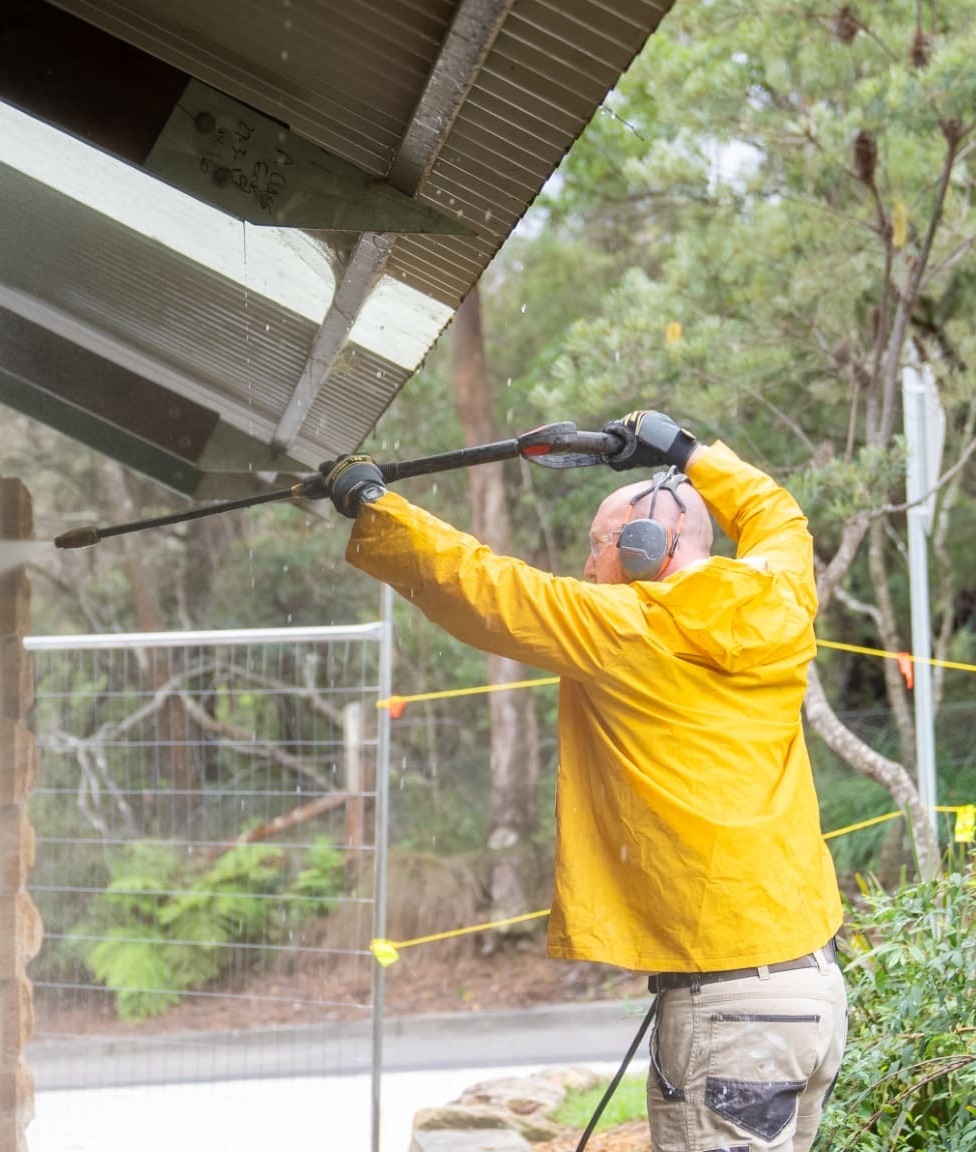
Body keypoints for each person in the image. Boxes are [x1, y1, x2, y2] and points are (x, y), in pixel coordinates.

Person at [323, 410, 847, 1152]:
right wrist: (684, 451)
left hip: (729, 1009)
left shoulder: (627, 627)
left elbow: (484, 589)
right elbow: (775, 511)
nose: (589, 566)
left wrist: (372, 503)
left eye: (599, 548)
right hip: (810, 991)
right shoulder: (781, 596)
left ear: (644, 550)